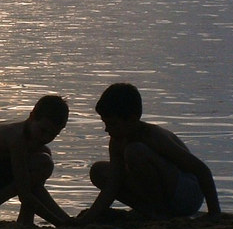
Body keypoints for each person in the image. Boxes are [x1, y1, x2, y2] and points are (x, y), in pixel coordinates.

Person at [80, 83, 220, 222]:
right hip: (162, 195)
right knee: (98, 171)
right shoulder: (117, 141)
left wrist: (214, 213)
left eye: (112, 124)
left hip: (186, 195)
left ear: (132, 119)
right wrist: (88, 218)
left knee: (134, 151)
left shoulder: (153, 136)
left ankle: (158, 212)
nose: (107, 130)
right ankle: (149, 211)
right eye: (105, 123)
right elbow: (113, 183)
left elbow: (202, 170)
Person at [0, 95, 74, 226]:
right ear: (32, 116)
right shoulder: (17, 137)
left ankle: (26, 219)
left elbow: (33, 187)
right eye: (43, 130)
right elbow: (24, 192)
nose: (45, 138)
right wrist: (58, 222)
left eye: (53, 135)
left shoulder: (29, 136)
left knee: (43, 156)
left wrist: (65, 220)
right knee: (42, 163)